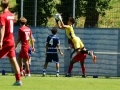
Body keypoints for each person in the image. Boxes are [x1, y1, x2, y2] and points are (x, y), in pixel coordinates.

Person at [0, 0, 22, 86]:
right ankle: (18, 80)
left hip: (6, 41)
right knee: (13, 60)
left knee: (13, 60)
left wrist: (1, 41)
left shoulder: (2, 16)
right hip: (11, 41)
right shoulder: (11, 15)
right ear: (8, 6)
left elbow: (3, 28)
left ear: (1, 6)